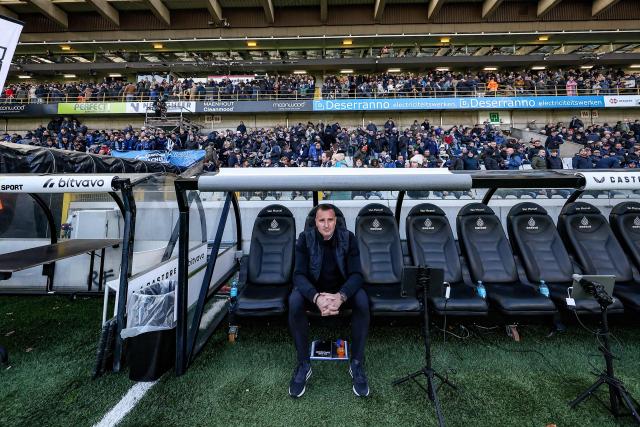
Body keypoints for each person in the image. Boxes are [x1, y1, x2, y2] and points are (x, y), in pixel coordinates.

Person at [288, 204, 370, 398]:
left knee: (362, 300)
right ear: (315, 222)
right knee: (294, 301)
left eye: (330, 220)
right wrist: (316, 297)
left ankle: (356, 363)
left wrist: (341, 297)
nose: (326, 225)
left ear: (336, 221)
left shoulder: (348, 238)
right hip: (314, 293)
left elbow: (357, 275)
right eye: (321, 220)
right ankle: (303, 364)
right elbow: (298, 275)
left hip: (341, 294)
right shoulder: (304, 239)